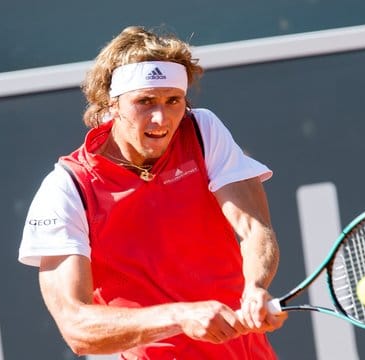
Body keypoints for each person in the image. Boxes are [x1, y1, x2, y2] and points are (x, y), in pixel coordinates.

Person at [18, 26, 287, 359]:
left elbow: (255, 228)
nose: (161, 118)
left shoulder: (202, 132)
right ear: (112, 104)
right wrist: (179, 315)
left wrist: (255, 289)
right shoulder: (67, 188)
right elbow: (77, 326)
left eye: (173, 100)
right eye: (144, 102)